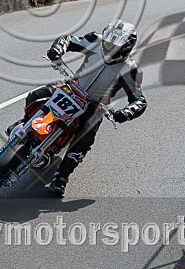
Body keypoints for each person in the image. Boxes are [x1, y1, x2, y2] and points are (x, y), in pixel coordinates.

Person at [14, 20, 147, 196]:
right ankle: (25, 122)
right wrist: (57, 50)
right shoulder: (95, 40)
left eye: (116, 46)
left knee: (86, 138)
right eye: (108, 43)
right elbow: (68, 40)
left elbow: (139, 100)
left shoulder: (131, 69)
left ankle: (62, 176)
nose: (109, 48)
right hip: (72, 87)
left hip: (95, 105)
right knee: (36, 95)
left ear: (126, 48)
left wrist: (125, 113)